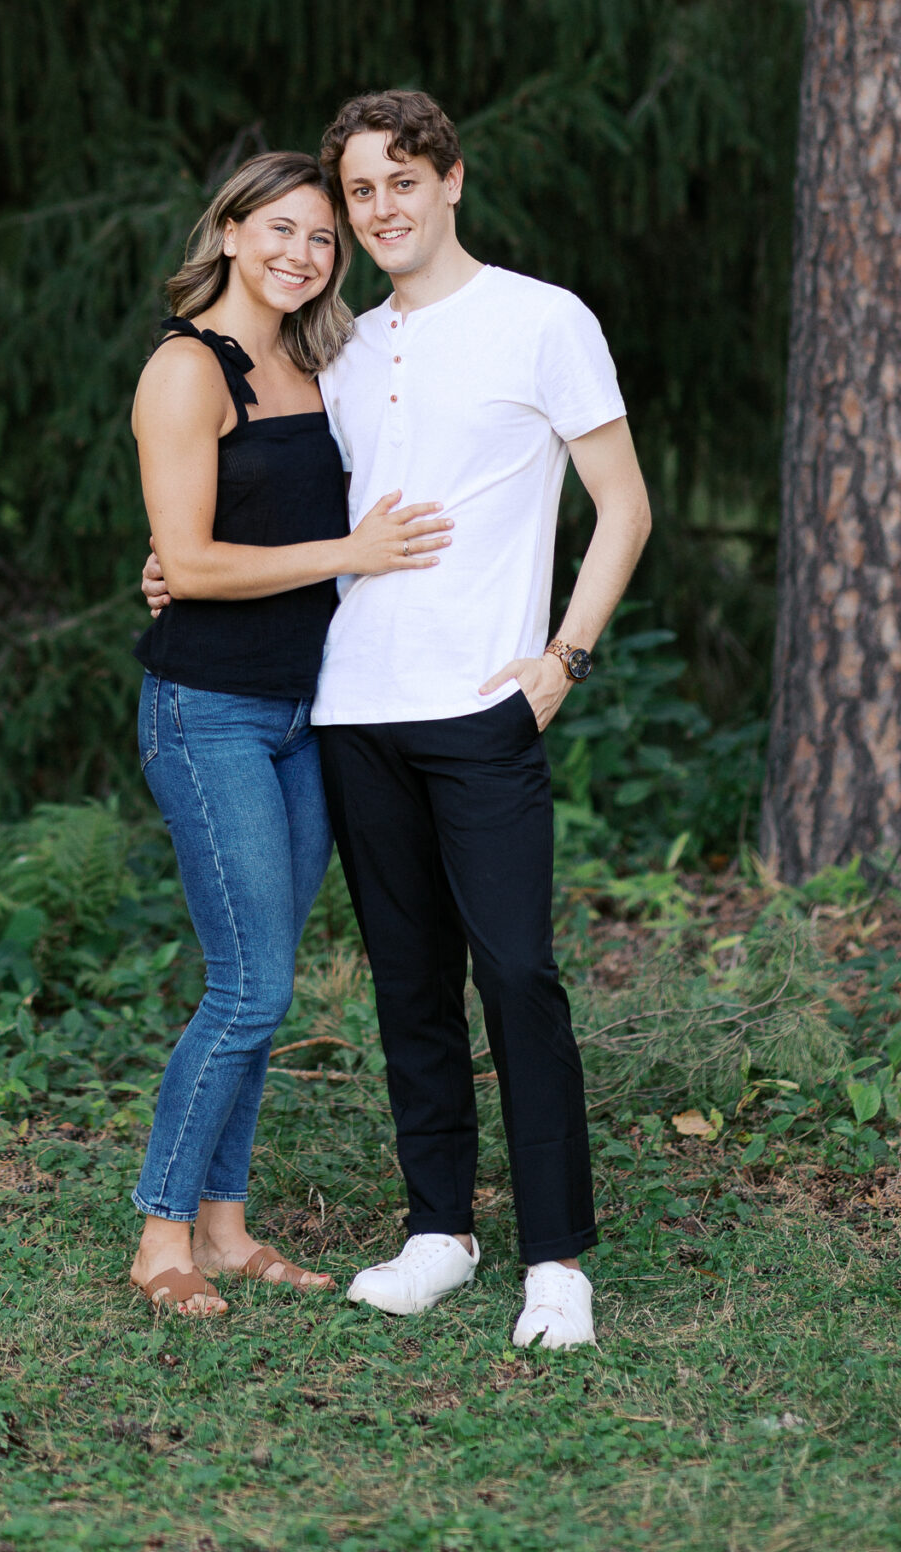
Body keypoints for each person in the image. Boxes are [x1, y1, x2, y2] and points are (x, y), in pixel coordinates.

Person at [145, 90, 650, 1349]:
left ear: (453, 180)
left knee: (518, 977)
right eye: (358, 192)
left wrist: (564, 659)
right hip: (351, 709)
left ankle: (556, 1260)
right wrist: (171, 567)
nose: (378, 210)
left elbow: (624, 506)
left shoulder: (545, 320)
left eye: (400, 182)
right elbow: (259, 504)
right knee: (407, 989)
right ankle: (439, 1231)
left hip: (485, 707)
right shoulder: (341, 348)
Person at [127, 149, 455, 1319]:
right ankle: (162, 1235)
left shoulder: (320, 359)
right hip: (205, 709)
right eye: (279, 227)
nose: (301, 253)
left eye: (322, 237)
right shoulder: (186, 369)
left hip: (306, 712)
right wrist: (345, 556)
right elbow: (201, 560)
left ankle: (225, 1226)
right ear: (226, 230)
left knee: (261, 984)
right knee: (252, 984)